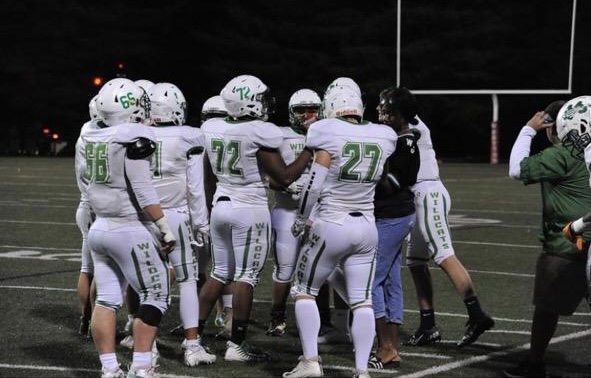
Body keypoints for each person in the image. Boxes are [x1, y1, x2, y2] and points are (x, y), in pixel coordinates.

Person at [282, 86, 397, 378]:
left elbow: (313, 185)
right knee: (363, 300)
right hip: (367, 226)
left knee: (304, 291)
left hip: (332, 222)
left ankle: (310, 362)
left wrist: (300, 218)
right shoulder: (383, 135)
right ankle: (361, 370)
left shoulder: (326, 132)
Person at [198, 74, 312, 362]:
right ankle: (236, 344)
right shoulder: (260, 132)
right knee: (246, 277)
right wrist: (310, 151)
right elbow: (284, 176)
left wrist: (213, 207)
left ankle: (194, 338)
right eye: (260, 98)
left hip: (221, 204)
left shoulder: (212, 126)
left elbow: (208, 176)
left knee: (219, 272)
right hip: (249, 208)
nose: (265, 103)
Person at [81, 77, 175, 378]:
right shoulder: (133, 136)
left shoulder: (91, 134)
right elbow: (144, 190)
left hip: (100, 228)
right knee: (156, 295)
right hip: (128, 228)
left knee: (107, 299)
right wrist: (164, 228)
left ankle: (110, 369)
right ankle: (142, 366)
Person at [504, 96, 591, 377]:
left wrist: (529, 129)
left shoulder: (563, 154)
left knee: (546, 308)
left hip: (568, 246)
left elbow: (517, 168)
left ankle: (534, 363)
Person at [403, 114, 494, 348]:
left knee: (444, 254)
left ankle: (477, 315)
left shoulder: (411, 126)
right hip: (419, 195)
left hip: (428, 194)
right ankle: (427, 326)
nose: (382, 114)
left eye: (386, 110)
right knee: (415, 262)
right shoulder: (403, 124)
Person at [146, 82, 217, 367]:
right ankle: (191, 345)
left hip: (145, 217)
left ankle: (147, 347)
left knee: (147, 285)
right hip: (176, 216)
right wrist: (201, 222)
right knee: (188, 281)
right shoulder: (190, 136)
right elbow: (195, 187)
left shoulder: (136, 133)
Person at [368, 86, 420, 369]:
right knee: (390, 281)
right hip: (395, 216)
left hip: (391, 216)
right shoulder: (398, 138)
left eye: (386, 111)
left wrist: (371, 170)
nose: (380, 113)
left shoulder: (404, 144)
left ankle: (385, 346)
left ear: (401, 115)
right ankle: (392, 347)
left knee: (371, 280)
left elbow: (388, 185)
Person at [266, 88, 321, 337]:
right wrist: (286, 183)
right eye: (301, 110)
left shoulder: (327, 132)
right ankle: (277, 317)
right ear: (291, 112)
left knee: (321, 270)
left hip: (319, 213)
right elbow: (269, 177)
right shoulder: (279, 135)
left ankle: (326, 320)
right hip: (288, 211)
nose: (307, 115)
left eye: (312, 109)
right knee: (285, 269)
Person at [74, 94, 101, 338]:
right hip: (98, 207)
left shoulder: (85, 133)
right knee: (101, 269)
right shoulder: (104, 136)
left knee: (87, 268)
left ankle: (86, 318)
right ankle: (94, 321)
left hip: (85, 205)